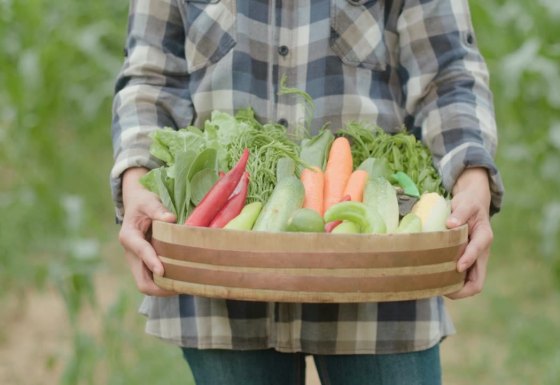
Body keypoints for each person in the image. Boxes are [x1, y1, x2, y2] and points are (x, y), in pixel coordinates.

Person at [111, 0, 504, 384]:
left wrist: (472, 178)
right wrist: (136, 180)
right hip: (220, 273)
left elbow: (447, 72)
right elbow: (152, 76)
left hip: (379, 281)